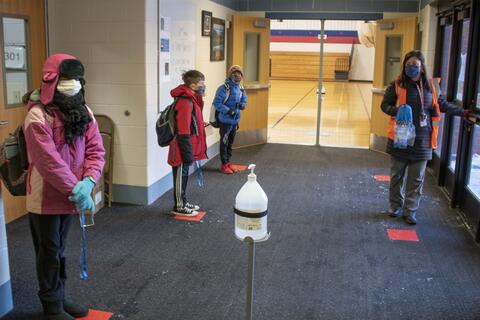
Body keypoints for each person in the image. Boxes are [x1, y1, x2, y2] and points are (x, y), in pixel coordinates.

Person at [23, 53, 105, 320]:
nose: (73, 84)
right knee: (48, 250)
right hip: (45, 197)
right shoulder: (37, 116)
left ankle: (60, 297)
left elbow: (96, 149)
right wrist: (77, 189)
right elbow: (48, 162)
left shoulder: (85, 112)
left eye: (76, 79)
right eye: (66, 79)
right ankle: (51, 305)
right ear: (52, 80)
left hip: (72, 195)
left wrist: (90, 180)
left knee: (59, 249)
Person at [381, 50, 469, 225]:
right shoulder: (397, 84)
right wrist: (395, 110)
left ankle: (410, 211)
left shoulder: (431, 86)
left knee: (416, 179)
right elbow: (384, 105)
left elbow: (441, 105)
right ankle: (395, 206)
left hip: (423, 140)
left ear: (422, 68)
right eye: (408, 65)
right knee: (397, 176)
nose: (411, 68)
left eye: (414, 66)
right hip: (401, 138)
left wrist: (462, 112)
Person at [168, 70, 207, 216]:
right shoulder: (185, 101)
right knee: (180, 176)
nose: (204, 86)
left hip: (186, 145)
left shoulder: (192, 99)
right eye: (201, 84)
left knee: (183, 175)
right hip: (181, 146)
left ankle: (183, 201)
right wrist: (187, 153)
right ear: (192, 85)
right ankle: (179, 206)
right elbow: (183, 130)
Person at [213, 65, 247, 174]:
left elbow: (244, 100)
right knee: (224, 142)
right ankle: (224, 164)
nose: (237, 77)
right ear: (230, 75)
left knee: (230, 143)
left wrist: (243, 105)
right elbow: (217, 103)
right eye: (234, 74)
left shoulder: (241, 88)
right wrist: (228, 111)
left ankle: (228, 162)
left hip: (235, 121)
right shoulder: (224, 88)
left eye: (239, 74)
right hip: (225, 121)